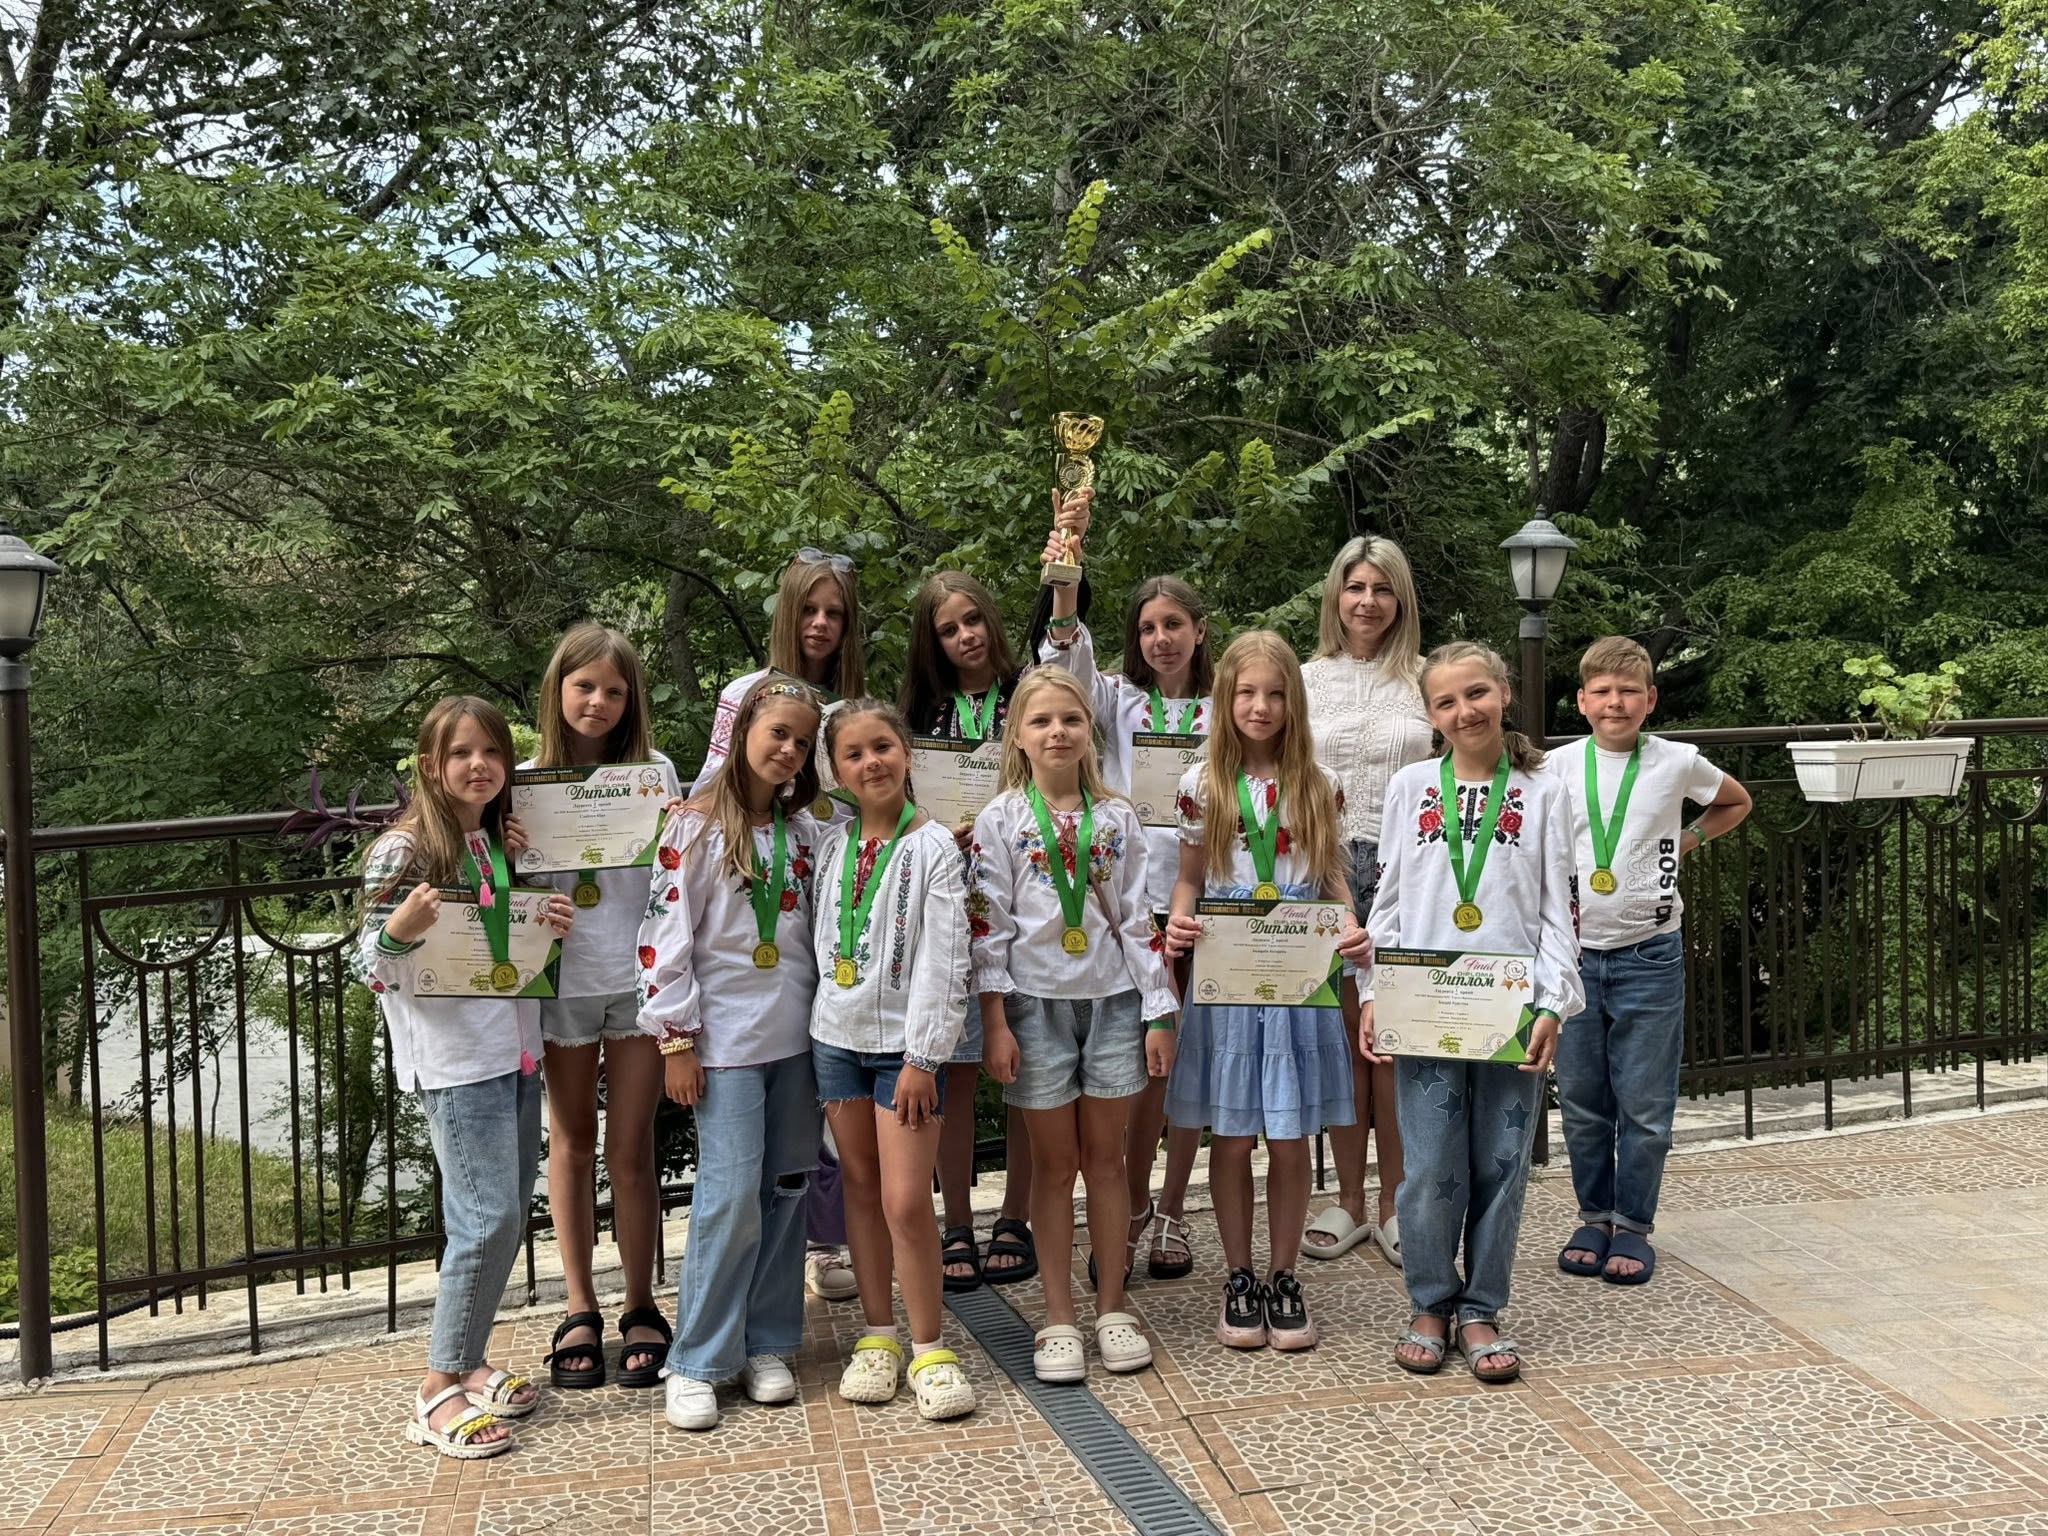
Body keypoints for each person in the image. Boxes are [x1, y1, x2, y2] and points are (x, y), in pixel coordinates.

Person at [1359, 641, 1583, 1384]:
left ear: (1504, 693)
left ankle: (1482, 1305)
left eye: (1477, 693)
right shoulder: (1411, 787)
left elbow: (1558, 909)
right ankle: (1430, 1301)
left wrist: (1553, 1002)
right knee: (1427, 1167)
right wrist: (1374, 993)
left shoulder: (1544, 791)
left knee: (1501, 1163)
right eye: (1447, 701)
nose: (1465, 711)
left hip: (1511, 1012)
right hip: (1425, 1008)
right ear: (1431, 715)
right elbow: (1388, 902)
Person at [361, 696, 575, 1458]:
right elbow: (368, 963)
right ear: (431, 766)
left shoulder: (492, 841)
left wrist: (546, 923)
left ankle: (472, 1362)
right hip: (455, 1065)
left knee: (506, 1216)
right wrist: (397, 930)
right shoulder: (404, 850)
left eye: (491, 752)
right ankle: (435, 1390)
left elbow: (501, 937)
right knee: (483, 1221)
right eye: (460, 754)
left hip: (511, 1049)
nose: (478, 765)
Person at [968, 669, 1178, 1381]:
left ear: (1091, 731)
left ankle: (1112, 1304)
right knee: (1054, 1167)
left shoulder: (1117, 818)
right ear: (1018, 738)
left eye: (1071, 719)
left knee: (1106, 1160)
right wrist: (995, 1020)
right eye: (1041, 721)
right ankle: (1058, 1316)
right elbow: (989, 926)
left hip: (1114, 1000)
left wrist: (1158, 1010)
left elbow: (1139, 919)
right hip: (1034, 1006)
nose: (1057, 732)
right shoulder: (1000, 819)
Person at [1163, 632, 1366, 1352]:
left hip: (1297, 980)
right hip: (1227, 977)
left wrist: (1349, 921)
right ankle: (1239, 1276)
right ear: (1225, 699)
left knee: (1288, 1138)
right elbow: (1189, 878)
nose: (1261, 706)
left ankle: (1284, 1276)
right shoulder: (1200, 784)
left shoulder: (1319, 782)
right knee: (1230, 1138)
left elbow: (1331, 877)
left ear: (1294, 703)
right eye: (1247, 693)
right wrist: (1179, 920)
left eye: (1276, 694)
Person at [638, 675, 829, 1430]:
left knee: (786, 1190)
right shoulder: (691, 829)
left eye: (803, 742)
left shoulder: (807, 833)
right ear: (741, 729)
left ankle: (767, 1340)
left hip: (798, 1041)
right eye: (778, 733)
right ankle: (697, 1357)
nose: (789, 750)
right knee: (728, 1196)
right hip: (723, 1045)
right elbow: (664, 939)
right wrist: (675, 1041)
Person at [1040, 503, 1212, 1285]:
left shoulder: (1226, 707)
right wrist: (1066, 578)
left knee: (1193, 1064)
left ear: (1199, 631)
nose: (1161, 639)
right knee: (1146, 1065)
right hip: (1133, 904)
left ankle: (1172, 1207)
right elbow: (1063, 674)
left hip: (1213, 899)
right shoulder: (1114, 699)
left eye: (1173, 624)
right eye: (1147, 627)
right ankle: (1134, 1205)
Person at [688, 551, 865, 1304]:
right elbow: (711, 789)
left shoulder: (853, 705)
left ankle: (827, 1243)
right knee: (747, 1160)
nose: (821, 625)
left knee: (819, 1106)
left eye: (835, 614)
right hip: (759, 901)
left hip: (831, 899)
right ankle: (729, 1310)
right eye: (809, 610)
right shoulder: (746, 693)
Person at [1551, 637, 1752, 1285]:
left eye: (1629, 691)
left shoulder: (1676, 761)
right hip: (1574, 956)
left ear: (1650, 699)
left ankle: (1633, 1225)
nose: (1616, 702)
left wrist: (1688, 839)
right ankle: (1594, 1215)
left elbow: (1736, 802)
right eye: (1602, 691)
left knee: (1643, 1105)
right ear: (1582, 701)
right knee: (1582, 1101)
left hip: (1650, 953)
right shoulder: (1555, 767)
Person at [811, 697, 979, 1420]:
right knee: (859, 1186)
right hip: (835, 1041)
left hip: (903, 1055)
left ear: (907, 753)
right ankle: (878, 1336)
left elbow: (947, 960)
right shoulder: (830, 846)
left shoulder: (934, 845)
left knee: (906, 1201)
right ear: (836, 771)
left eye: (882, 746)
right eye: (853, 754)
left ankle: (930, 1348)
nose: (870, 762)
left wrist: (924, 1057)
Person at [522, 625, 680, 1390]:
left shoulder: (655, 773)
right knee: (572, 1142)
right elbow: (495, 895)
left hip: (637, 983)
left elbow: (677, 879)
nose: (598, 702)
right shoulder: (522, 783)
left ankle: (641, 1301)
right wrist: (506, 853)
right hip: (562, 986)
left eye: (614, 691)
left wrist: (679, 825)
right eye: (584, 686)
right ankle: (578, 1304)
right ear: (557, 689)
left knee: (632, 1148)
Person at [900, 570, 1039, 1289]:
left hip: (1032, 898)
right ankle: (956, 1220)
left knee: (1027, 1066)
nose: (966, 637)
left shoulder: (1029, 695)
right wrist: (928, 831)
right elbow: (891, 806)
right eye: (949, 629)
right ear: (933, 642)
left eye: (973, 620)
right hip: (948, 903)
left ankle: (1016, 1215)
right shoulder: (919, 713)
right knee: (953, 1069)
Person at [1300, 536, 1432, 1269]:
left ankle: (1397, 1200)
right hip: (1323, 870)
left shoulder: (1426, 678)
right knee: (1344, 1040)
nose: (1368, 601)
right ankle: (1349, 1198)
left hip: (1408, 869)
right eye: (1355, 587)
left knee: (1392, 1041)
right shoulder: (1305, 679)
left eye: (1383, 588)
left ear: (1400, 599)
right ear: (1336, 595)